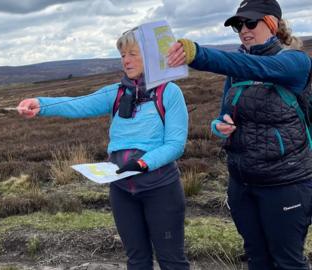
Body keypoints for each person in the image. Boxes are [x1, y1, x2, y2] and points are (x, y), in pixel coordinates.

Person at [17, 29, 190, 269]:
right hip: (122, 190)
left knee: (172, 261)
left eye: (132, 53)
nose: (125, 60)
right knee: (137, 260)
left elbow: (175, 144)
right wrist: (41, 104)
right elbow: (78, 104)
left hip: (160, 189)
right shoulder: (117, 92)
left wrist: (143, 163)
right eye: (122, 55)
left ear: (151, 56)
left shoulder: (170, 92)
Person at [168, 0, 312, 269]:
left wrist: (197, 54)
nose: (243, 29)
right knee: (257, 259)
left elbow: (254, 67)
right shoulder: (235, 73)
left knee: (288, 262)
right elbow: (223, 115)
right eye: (237, 25)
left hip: (286, 184)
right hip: (242, 184)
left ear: (272, 23)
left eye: (250, 22)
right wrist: (218, 125)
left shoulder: (294, 62)